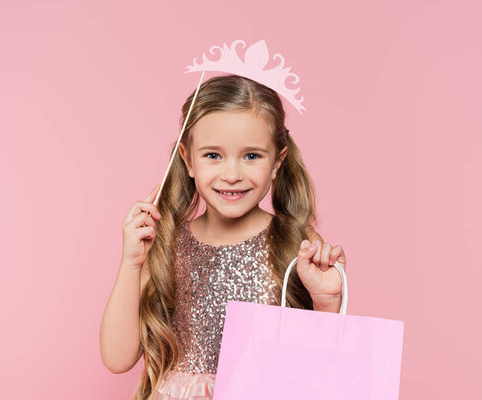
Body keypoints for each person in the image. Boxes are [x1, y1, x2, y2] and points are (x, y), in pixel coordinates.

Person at [99, 74, 347, 399]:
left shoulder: (296, 243)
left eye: (252, 156)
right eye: (213, 155)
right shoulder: (167, 243)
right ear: (188, 160)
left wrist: (327, 304)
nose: (232, 175)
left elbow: (320, 370)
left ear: (277, 162)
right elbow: (117, 359)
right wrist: (131, 263)